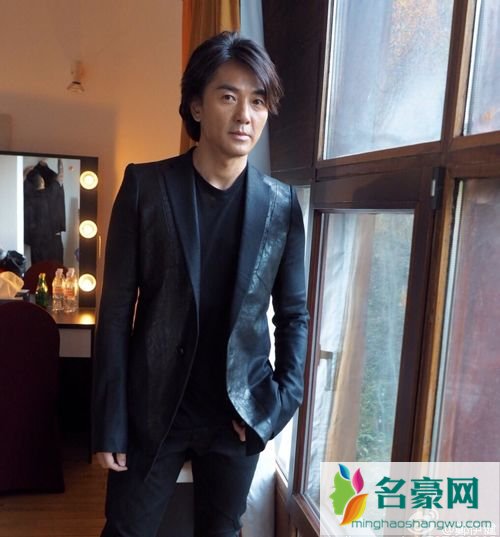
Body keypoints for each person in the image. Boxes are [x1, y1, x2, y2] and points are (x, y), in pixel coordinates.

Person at [92, 31, 309, 537]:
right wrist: (110, 422)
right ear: (196, 106)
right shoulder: (146, 187)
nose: (244, 115)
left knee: (221, 531)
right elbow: (116, 312)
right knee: (125, 530)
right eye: (228, 96)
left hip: (238, 414)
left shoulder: (281, 205)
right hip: (152, 409)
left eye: (258, 101)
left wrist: (278, 403)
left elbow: (293, 315)